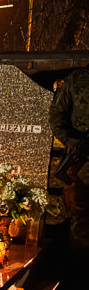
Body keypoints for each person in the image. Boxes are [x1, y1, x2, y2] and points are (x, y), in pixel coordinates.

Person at [49, 65, 89, 259]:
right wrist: (69, 139)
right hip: (81, 160)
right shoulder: (77, 78)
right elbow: (57, 114)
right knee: (79, 218)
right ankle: (79, 276)